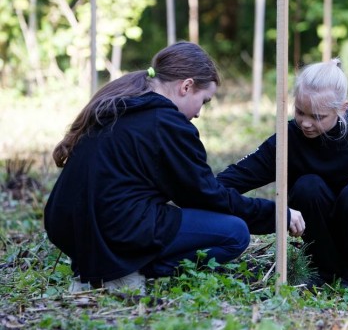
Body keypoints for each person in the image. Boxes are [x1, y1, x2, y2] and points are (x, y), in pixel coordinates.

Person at [44, 41, 305, 294]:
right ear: (187, 86)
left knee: (156, 214)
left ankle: (95, 269)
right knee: (234, 233)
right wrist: (277, 214)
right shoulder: (167, 124)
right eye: (204, 101)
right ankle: (119, 273)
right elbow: (205, 196)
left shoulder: (121, 103)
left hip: (66, 224)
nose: (199, 113)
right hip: (116, 227)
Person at [217, 58, 348, 290]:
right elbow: (242, 174)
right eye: (300, 112)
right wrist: (204, 189)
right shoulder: (288, 138)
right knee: (307, 186)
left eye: (317, 117)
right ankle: (322, 270)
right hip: (320, 221)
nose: (306, 123)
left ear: (342, 108)